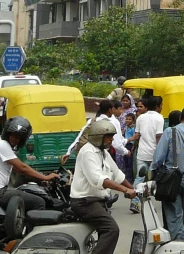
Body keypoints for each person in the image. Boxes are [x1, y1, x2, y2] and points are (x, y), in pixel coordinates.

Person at [69, 119, 136, 254]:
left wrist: (133, 189)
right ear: (98, 136)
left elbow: (117, 174)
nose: (111, 140)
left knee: (104, 231)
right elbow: (98, 180)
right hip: (84, 202)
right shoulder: (88, 152)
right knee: (111, 229)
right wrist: (124, 190)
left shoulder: (103, 152)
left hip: (96, 201)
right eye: (108, 137)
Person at [0, 116, 58, 211]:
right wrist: (46, 177)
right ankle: (30, 226)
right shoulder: (2, 145)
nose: (15, 139)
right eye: (13, 136)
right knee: (39, 202)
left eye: (18, 138)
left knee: (26, 192)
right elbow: (22, 167)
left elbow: (19, 170)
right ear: (7, 134)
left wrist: (39, 179)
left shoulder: (1, 144)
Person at [151, 105, 184, 243]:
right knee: (180, 215)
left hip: (171, 180)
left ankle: (182, 245)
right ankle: (176, 242)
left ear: (181, 118)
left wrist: (153, 174)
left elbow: (158, 158)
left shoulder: (170, 132)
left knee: (174, 216)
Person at [63, 100, 130, 165]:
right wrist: (126, 152)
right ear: (110, 110)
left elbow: (79, 137)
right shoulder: (112, 122)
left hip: (86, 153)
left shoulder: (92, 121)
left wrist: (68, 152)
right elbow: (117, 144)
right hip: (100, 156)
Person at [130, 96, 164, 213]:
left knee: (139, 178)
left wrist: (134, 148)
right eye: (161, 105)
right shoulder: (159, 118)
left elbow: (137, 135)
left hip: (142, 153)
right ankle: (147, 203)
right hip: (154, 154)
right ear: (158, 106)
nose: (162, 107)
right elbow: (159, 137)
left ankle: (135, 201)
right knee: (154, 180)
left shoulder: (140, 118)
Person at [123, 113, 137, 183]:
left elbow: (134, 138)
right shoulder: (126, 127)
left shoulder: (133, 128)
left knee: (129, 163)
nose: (127, 120)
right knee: (125, 162)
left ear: (133, 120)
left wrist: (133, 146)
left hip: (130, 145)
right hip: (126, 144)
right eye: (126, 119)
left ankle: (129, 179)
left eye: (129, 119)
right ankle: (126, 178)